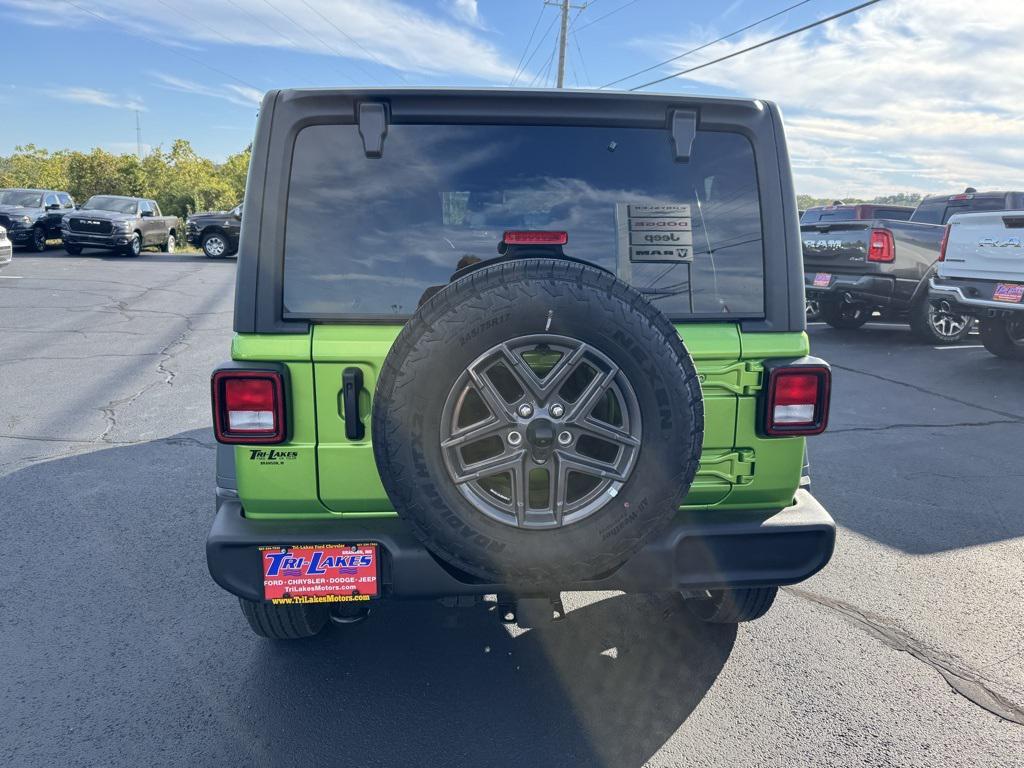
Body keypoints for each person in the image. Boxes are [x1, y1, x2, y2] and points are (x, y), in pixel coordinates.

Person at [418, 254, 482, 307]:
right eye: (469, 273)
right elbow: (419, 320)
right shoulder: (432, 293)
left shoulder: (484, 298)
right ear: (458, 273)